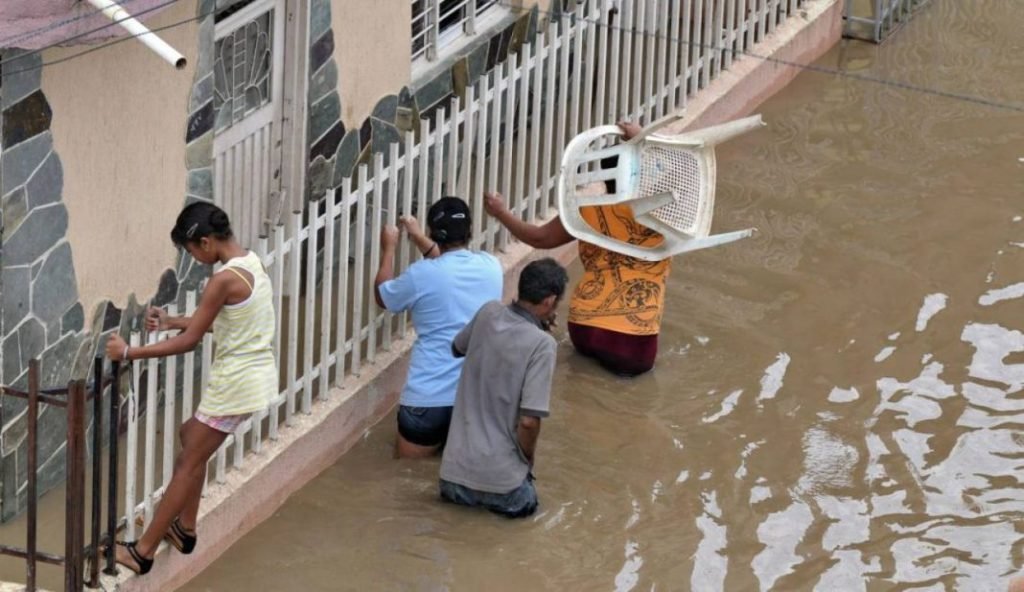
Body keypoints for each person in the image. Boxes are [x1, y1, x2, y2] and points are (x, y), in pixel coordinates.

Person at [104, 202, 276, 575]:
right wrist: (172, 320)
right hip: (251, 375)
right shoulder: (250, 264)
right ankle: (185, 528)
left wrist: (130, 351)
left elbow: (191, 341)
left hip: (237, 382)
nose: (192, 257)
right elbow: (224, 322)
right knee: (188, 436)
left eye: (190, 250)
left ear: (205, 242)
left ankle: (142, 552)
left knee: (189, 461)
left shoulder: (223, 279)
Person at [483, 121, 669, 377]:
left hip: (584, 327)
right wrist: (646, 142)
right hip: (633, 341)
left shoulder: (588, 210)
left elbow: (539, 238)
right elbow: (686, 172)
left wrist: (501, 213)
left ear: (604, 174)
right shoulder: (663, 211)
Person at [439, 257, 568, 518]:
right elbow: (529, 422)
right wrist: (527, 461)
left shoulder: (488, 312)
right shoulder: (543, 345)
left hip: (453, 479)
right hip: (505, 487)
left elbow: (456, 348)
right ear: (549, 301)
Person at [375, 197, 503, 458]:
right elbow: (448, 266)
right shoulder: (492, 267)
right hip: (473, 399)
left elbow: (383, 296)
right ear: (469, 232)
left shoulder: (422, 274)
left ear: (434, 232)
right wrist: (420, 238)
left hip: (426, 402)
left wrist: (388, 248)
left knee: (406, 479)